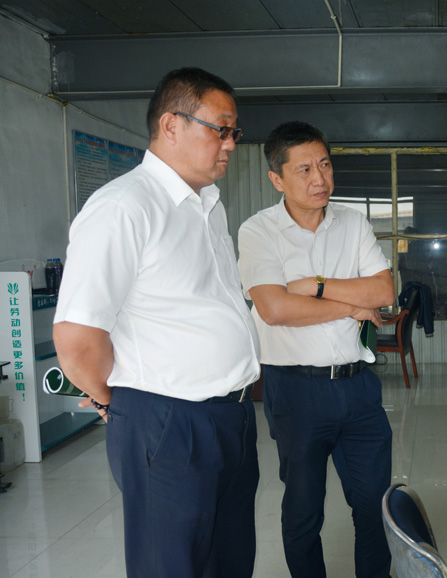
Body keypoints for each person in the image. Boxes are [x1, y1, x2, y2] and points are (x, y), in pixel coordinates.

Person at [53, 68, 260, 578]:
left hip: (230, 416)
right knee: (170, 564)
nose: (230, 144)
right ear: (171, 125)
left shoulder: (207, 207)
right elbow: (78, 337)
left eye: (234, 131)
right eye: (220, 129)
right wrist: (116, 402)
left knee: (229, 561)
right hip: (168, 422)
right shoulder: (124, 207)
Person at [237, 121, 394, 578]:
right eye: (304, 169)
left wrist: (318, 286)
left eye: (324, 165)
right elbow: (274, 309)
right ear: (277, 178)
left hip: (358, 388)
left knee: (373, 505)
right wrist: (350, 305)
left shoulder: (353, 222)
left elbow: (383, 290)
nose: (319, 179)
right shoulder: (258, 231)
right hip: (295, 390)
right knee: (304, 509)